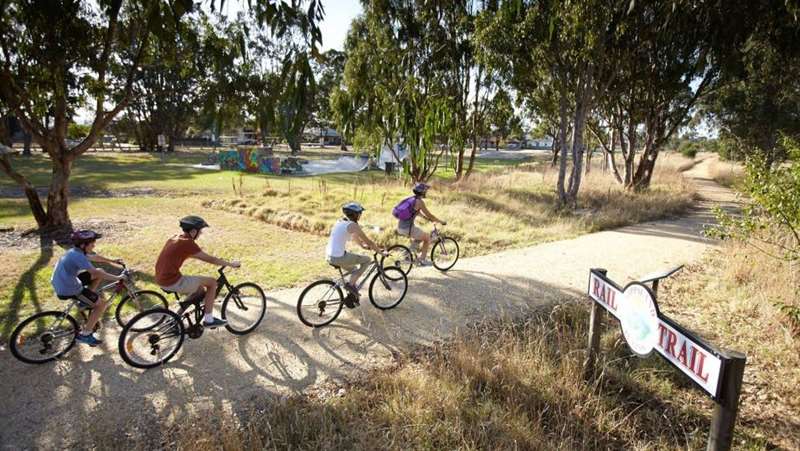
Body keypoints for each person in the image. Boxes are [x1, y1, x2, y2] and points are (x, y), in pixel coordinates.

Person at [154, 216, 240, 328]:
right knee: (213, 282)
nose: (201, 234)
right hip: (172, 280)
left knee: (199, 290)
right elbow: (210, 259)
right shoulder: (187, 243)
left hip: (161, 278)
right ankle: (209, 320)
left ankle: (175, 318)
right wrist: (230, 264)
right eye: (200, 231)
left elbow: (196, 256)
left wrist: (218, 260)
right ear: (193, 231)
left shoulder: (175, 238)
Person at [50, 230, 125, 346]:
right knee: (102, 305)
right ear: (83, 245)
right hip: (69, 287)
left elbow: (95, 258)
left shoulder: (74, 252)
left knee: (100, 271)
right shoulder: (79, 256)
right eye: (92, 244)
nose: (94, 245)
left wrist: (112, 261)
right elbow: (95, 272)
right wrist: (118, 277)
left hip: (61, 281)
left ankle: (84, 303)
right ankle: (85, 334)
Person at [325, 202, 384, 308]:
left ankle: (351, 298)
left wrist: (362, 246)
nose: (360, 215)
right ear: (355, 214)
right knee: (366, 260)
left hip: (330, 255)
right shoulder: (353, 225)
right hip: (338, 257)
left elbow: (354, 236)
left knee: (354, 270)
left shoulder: (340, 221)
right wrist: (380, 252)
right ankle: (351, 285)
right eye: (359, 213)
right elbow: (369, 242)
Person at [396, 183, 447, 266]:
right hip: (408, 228)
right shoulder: (420, 202)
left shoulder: (412, 199)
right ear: (422, 192)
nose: (426, 192)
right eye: (425, 191)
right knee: (427, 238)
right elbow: (430, 215)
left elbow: (418, 213)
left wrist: (427, 219)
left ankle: (406, 254)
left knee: (420, 237)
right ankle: (422, 260)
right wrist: (440, 221)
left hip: (401, 227)